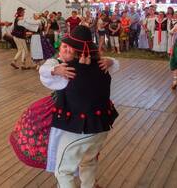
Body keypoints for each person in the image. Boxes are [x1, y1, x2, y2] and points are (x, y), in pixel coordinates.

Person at [41, 26, 119, 188]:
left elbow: (43, 73)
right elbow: (116, 64)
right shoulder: (103, 65)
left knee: (63, 171)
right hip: (101, 127)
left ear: (75, 51)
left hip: (78, 130)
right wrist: (110, 60)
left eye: (68, 48)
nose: (64, 50)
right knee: (88, 162)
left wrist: (55, 70)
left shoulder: (67, 72)